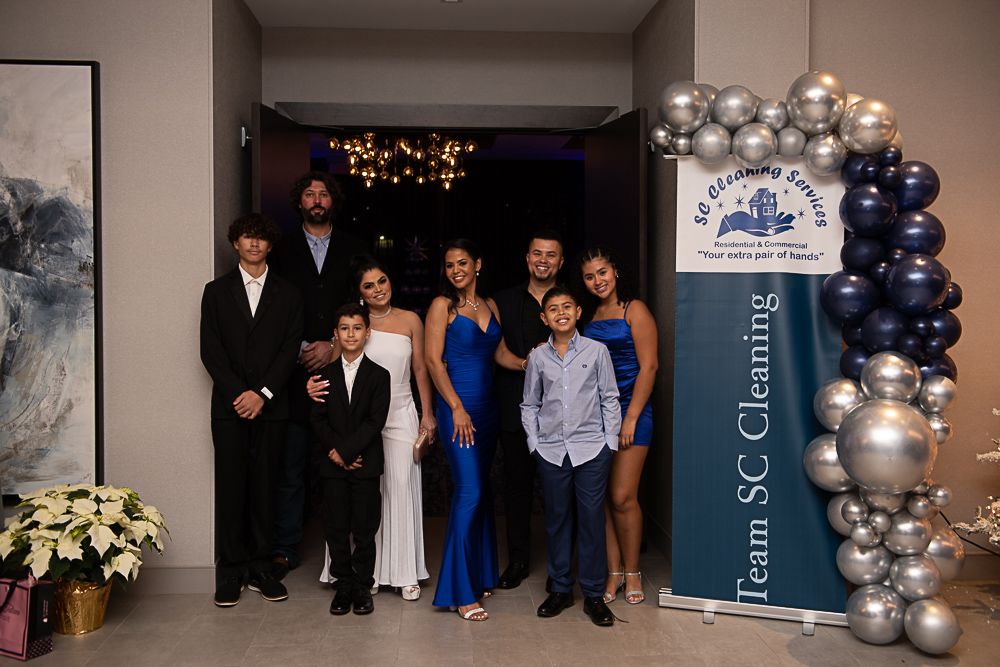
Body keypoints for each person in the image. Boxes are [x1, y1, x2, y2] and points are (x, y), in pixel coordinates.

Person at [309, 256, 436, 601]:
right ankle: (368, 573)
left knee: (399, 488)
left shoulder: (411, 319)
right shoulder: (352, 324)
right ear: (360, 293)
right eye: (369, 285)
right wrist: (312, 389)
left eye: (382, 281)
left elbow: (421, 369)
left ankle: (405, 571)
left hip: (400, 413)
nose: (378, 289)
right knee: (362, 497)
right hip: (354, 420)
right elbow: (335, 372)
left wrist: (427, 415)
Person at [200, 213, 303, 607]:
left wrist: (262, 393)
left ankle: (262, 568)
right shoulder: (215, 291)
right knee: (231, 487)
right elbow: (211, 351)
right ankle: (231, 573)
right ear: (235, 244)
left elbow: (289, 348)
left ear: (270, 246)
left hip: (272, 407)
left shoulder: (290, 293)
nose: (254, 244)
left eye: (261, 238)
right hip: (229, 409)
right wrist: (239, 394)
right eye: (247, 237)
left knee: (266, 488)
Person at [268, 171, 366, 578]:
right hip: (291, 374)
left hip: (341, 367)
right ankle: (285, 547)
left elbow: (362, 308)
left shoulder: (354, 248)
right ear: (300, 202)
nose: (316, 199)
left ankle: (346, 552)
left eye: (323, 193)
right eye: (309, 193)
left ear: (333, 200)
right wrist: (299, 350)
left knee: (343, 461)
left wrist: (332, 343)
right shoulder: (281, 250)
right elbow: (270, 308)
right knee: (291, 465)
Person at [424, 238, 525, 621]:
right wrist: (455, 408)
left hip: (487, 410)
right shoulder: (441, 306)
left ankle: (480, 574)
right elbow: (434, 362)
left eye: (462, 263)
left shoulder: (489, 305)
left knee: (482, 495)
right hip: (458, 409)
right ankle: (459, 590)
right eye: (449, 265)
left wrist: (525, 363)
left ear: (477, 263)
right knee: (471, 491)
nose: (456, 271)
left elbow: (496, 353)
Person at [521, 286, 621, 626]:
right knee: (557, 520)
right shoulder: (537, 358)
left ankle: (593, 595)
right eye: (553, 308)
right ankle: (561, 588)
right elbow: (530, 404)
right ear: (544, 318)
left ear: (579, 312)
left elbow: (609, 397)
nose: (560, 312)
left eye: (567, 306)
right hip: (551, 451)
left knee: (591, 520)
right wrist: (535, 443)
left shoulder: (597, 351)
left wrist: (610, 442)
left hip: (592, 449)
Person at [578, 247, 658, 605]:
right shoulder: (589, 317)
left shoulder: (634, 310)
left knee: (623, 496)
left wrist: (630, 417)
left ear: (615, 272)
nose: (598, 281)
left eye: (602, 272)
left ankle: (632, 571)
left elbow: (650, 367)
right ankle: (612, 573)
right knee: (602, 499)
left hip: (632, 413)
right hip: (597, 416)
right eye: (590, 276)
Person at [492, 230, 565, 589]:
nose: (543, 260)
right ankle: (519, 561)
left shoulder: (572, 300)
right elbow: (494, 349)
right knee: (517, 487)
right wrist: (528, 364)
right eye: (537, 253)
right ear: (527, 258)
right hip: (514, 406)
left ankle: (561, 567)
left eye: (551, 255)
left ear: (560, 262)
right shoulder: (502, 301)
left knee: (560, 491)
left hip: (566, 413)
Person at [311, 303, 391, 616]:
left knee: (364, 527)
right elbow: (317, 419)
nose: (351, 334)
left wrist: (347, 452)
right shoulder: (323, 375)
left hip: (365, 463)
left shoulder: (379, 376)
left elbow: (375, 421)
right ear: (335, 333)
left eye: (357, 328)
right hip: (332, 466)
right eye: (344, 328)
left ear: (367, 333)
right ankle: (342, 585)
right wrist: (337, 453)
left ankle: (362, 586)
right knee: (336, 526)